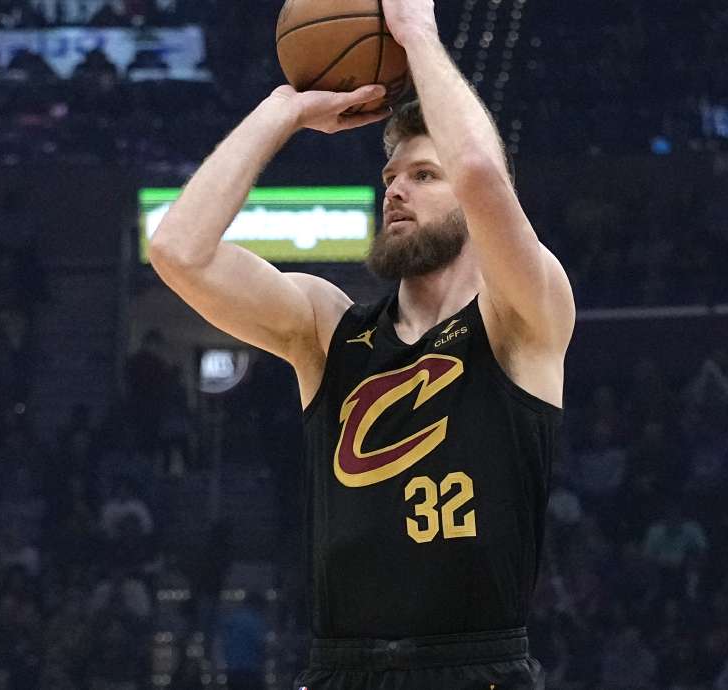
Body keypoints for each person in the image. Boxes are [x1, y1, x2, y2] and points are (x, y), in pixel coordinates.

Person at [149, 0, 575, 687]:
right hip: (341, 669)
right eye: (391, 179)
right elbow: (177, 250)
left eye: (423, 176)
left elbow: (482, 173)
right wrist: (283, 110)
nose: (396, 192)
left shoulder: (523, 318)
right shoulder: (328, 329)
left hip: (474, 667)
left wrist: (416, 33)